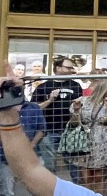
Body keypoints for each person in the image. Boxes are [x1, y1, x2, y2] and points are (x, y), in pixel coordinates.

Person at [33, 55, 84, 183]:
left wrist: (77, 106)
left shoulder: (76, 86)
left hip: (70, 130)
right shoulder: (43, 87)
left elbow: (81, 108)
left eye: (71, 68)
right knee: (48, 164)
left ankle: (77, 190)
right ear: (58, 68)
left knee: (74, 165)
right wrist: (50, 100)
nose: (71, 70)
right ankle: (50, 189)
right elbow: (34, 109)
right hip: (48, 130)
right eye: (68, 67)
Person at [69, 78, 107, 194]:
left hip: (102, 140)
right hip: (84, 140)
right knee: (85, 177)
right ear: (104, 88)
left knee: (99, 176)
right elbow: (74, 123)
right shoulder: (82, 101)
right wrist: (76, 111)